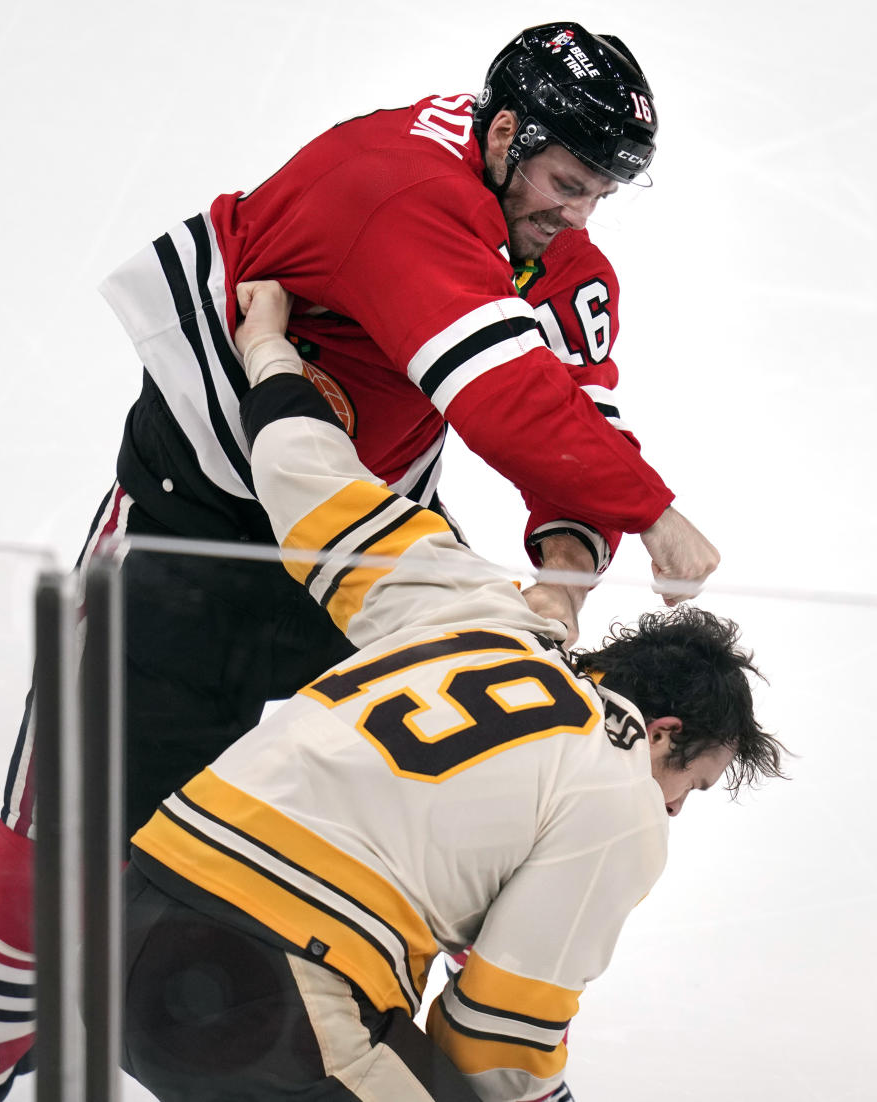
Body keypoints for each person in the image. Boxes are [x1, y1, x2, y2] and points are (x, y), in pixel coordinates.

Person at [0, 23, 720, 1099]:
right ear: (502, 136)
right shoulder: (391, 188)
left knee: (445, 804)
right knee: (45, 868)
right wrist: (657, 511)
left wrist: (567, 569)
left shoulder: (565, 260)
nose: (577, 216)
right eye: (564, 181)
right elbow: (497, 397)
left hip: (360, 544)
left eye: (598, 195)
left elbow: (577, 426)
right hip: (186, 537)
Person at [120, 281, 783, 1102]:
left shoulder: (476, 610)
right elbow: (494, 1040)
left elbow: (314, 486)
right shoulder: (623, 797)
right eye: (695, 782)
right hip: (261, 984)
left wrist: (266, 345)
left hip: (129, 912)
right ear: (663, 732)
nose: (676, 806)